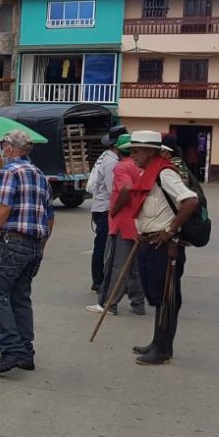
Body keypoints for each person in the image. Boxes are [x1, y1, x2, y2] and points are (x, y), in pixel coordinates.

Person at [0, 130, 54, 375]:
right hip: (33, 244)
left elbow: (3, 208)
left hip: (10, 241)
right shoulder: (39, 174)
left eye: (4, 147)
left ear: (9, 148)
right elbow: (49, 215)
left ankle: (11, 349)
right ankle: (26, 351)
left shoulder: (9, 171)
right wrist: (40, 246)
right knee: (20, 296)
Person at [122, 131, 200, 365]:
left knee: (166, 297)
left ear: (149, 152)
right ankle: (158, 342)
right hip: (150, 241)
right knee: (156, 295)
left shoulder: (165, 173)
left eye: (135, 150)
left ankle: (163, 348)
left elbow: (190, 201)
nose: (132, 155)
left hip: (165, 245)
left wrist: (169, 230)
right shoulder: (150, 172)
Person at [87, 134, 145, 316]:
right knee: (134, 266)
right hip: (137, 222)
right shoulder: (139, 167)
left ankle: (107, 304)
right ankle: (138, 303)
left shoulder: (121, 167)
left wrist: (115, 208)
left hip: (121, 222)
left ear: (119, 150)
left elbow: (126, 189)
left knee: (113, 265)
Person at [87, 126, 126, 293]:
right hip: (105, 208)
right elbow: (113, 189)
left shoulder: (108, 158)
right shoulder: (111, 163)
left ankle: (99, 280)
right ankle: (98, 281)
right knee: (102, 246)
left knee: (103, 245)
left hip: (102, 207)